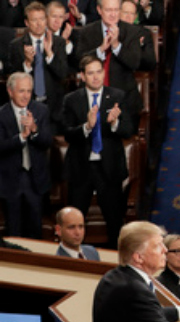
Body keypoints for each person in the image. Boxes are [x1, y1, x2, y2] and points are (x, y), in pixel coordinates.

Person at [62, 55, 132, 248]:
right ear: (82, 76)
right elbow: (67, 134)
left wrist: (115, 123)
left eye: (99, 72)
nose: (95, 77)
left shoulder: (117, 96)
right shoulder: (71, 100)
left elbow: (129, 130)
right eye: (90, 73)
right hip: (81, 168)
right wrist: (86, 126)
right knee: (75, 221)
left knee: (114, 221)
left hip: (109, 168)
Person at [0, 72, 53, 239]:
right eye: (21, 91)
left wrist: (35, 130)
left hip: (35, 180)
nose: (26, 96)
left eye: (29, 91)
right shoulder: (1, 114)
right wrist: (22, 137)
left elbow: (47, 142)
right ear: (10, 91)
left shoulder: (41, 110)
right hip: (10, 181)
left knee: (35, 230)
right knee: (14, 231)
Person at [76, 0, 142, 133]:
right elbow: (79, 61)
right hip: (91, 98)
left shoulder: (132, 32)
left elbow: (135, 63)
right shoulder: (87, 32)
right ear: (99, 10)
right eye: (108, 10)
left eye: (116, 10)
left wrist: (116, 45)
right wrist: (100, 50)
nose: (113, 14)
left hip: (124, 100)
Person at [8, 2, 69, 130]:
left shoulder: (58, 43)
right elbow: (12, 79)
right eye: (34, 20)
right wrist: (27, 63)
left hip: (54, 108)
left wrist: (50, 54)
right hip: (27, 106)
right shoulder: (17, 45)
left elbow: (63, 73)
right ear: (26, 23)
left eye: (42, 19)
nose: (39, 23)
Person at [119, 0, 155, 72]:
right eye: (125, 12)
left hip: (132, 73)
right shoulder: (111, 31)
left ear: (135, 16)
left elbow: (150, 64)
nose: (128, 17)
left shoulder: (143, 33)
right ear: (118, 13)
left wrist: (138, 47)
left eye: (132, 14)